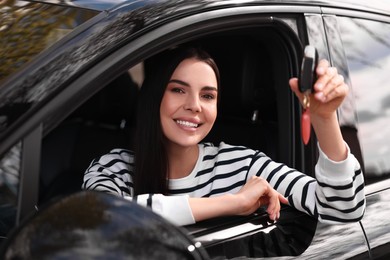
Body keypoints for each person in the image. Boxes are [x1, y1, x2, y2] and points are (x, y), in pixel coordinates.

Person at [82, 46, 365, 226]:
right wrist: (234, 203)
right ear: (154, 97)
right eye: (178, 89)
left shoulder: (243, 164)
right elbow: (101, 221)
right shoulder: (114, 168)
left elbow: (344, 208)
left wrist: (324, 118)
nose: (195, 105)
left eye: (208, 95)